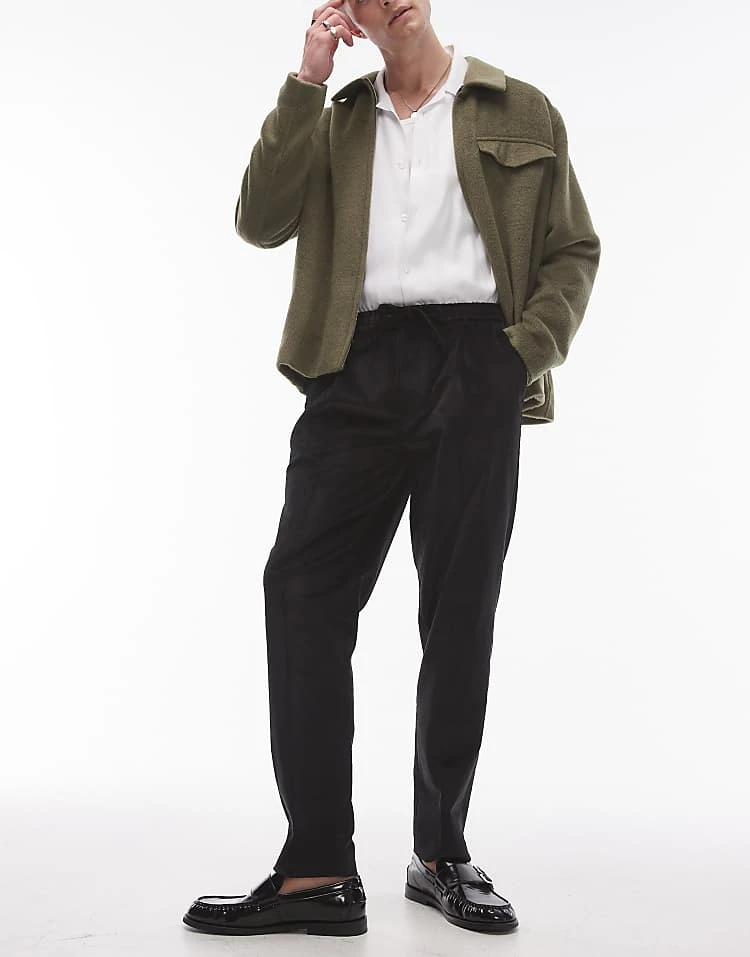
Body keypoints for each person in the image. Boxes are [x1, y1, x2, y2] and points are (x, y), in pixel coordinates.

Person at [183, 0, 600, 938]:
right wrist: (306, 80)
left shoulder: (519, 109)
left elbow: (573, 247)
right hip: (355, 364)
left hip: (477, 359)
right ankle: (319, 867)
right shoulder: (333, 118)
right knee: (301, 593)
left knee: (458, 610)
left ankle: (441, 852)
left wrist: (520, 354)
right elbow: (260, 221)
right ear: (349, 14)